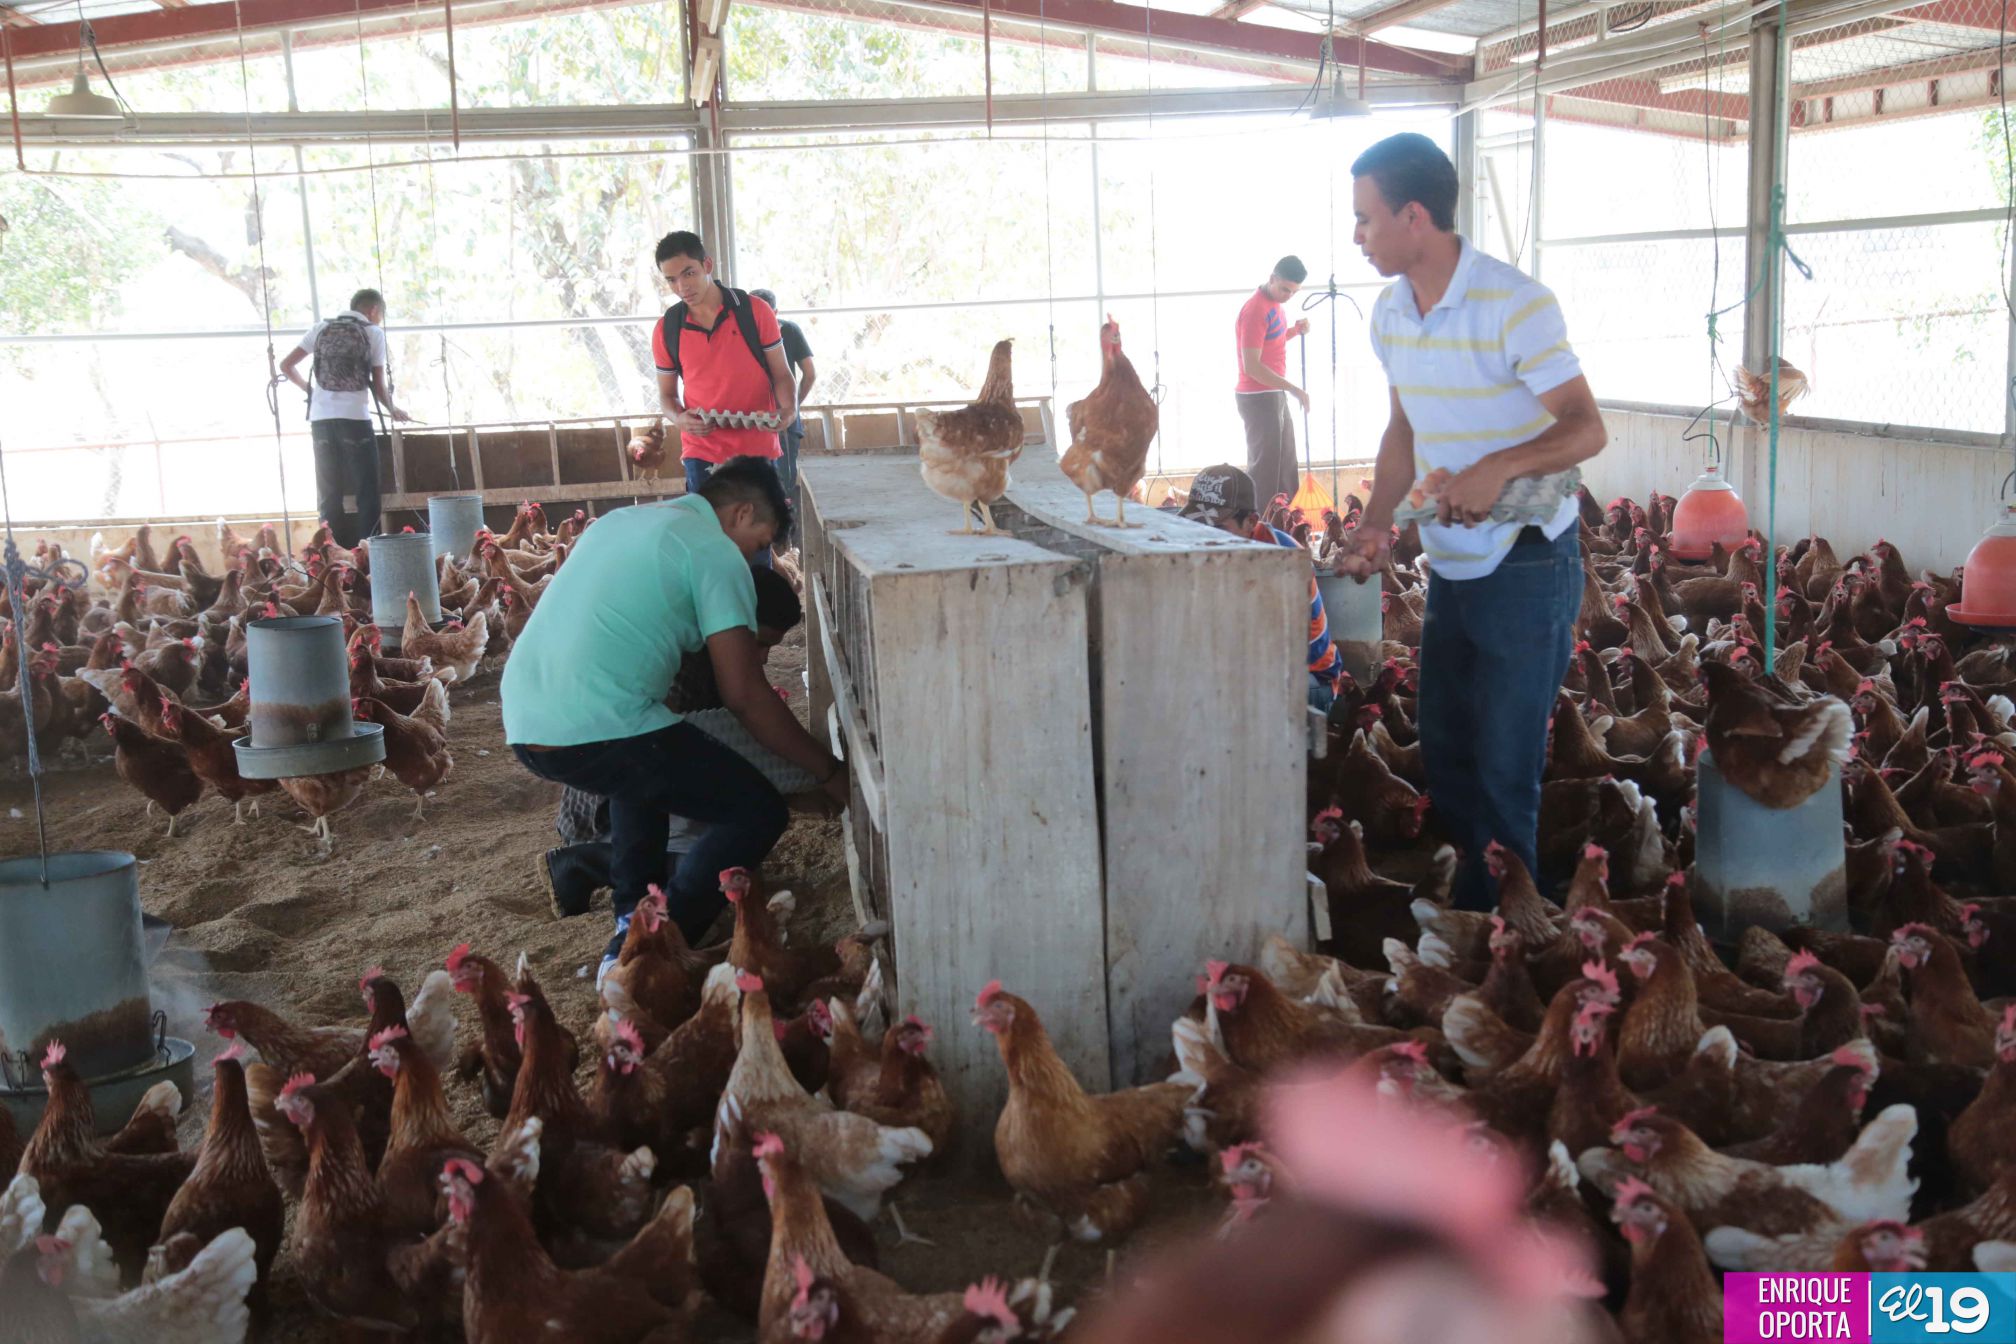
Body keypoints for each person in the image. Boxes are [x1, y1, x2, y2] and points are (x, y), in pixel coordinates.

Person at [1335, 132, 1606, 913]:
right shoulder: (1390, 311)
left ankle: (1509, 931)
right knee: (1448, 750)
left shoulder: (1513, 303)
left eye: (1365, 219)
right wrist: (1378, 525)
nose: (1357, 236)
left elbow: (1587, 428)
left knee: (1503, 760)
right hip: (1451, 564)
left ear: (1414, 216)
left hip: (1526, 559)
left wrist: (1500, 467)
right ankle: (1474, 898)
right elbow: (1402, 431)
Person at [501, 457, 848, 985]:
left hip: (526, 716)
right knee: (755, 811)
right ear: (742, 512)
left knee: (644, 774)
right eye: (761, 543)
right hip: (599, 721)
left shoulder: (621, 520)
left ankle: (631, 917)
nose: (759, 559)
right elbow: (745, 695)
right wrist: (826, 771)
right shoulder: (715, 554)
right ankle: (656, 946)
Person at [540, 564, 807, 918]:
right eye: (757, 643)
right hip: (607, 811)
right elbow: (659, 767)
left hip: (642, 792)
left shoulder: (707, 651)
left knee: (732, 857)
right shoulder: (681, 666)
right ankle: (585, 862)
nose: (762, 658)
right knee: (715, 871)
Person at [1181, 463, 1342, 713]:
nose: (1203, 536)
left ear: (1251, 521)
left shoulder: (1281, 559)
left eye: (1217, 528)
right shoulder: (1221, 552)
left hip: (1306, 675)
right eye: (1197, 524)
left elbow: (1280, 650)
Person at [652, 232, 798, 498]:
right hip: (702, 451)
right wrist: (679, 418)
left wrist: (788, 411)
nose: (681, 287)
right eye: (671, 280)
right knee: (709, 535)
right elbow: (667, 394)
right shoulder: (667, 329)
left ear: (707, 265)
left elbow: (782, 374)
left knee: (757, 535)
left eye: (689, 273)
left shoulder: (754, 311)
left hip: (758, 448)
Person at [278, 288, 412, 548]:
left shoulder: (320, 328)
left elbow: (286, 365)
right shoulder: (373, 333)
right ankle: (368, 555)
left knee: (329, 494)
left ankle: (333, 556)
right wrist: (393, 409)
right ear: (373, 310)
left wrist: (311, 391)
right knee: (367, 492)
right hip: (355, 420)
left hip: (320, 421)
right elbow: (379, 385)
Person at [1233, 256, 1313, 506]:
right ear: (1272, 279)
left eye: (1294, 291)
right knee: (1265, 471)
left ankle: (1286, 525)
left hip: (1274, 392)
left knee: (1285, 465)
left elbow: (1271, 342)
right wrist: (1293, 389)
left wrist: (1294, 331)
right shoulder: (1255, 309)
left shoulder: (1275, 305)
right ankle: (1260, 530)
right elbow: (1252, 366)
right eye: (1285, 289)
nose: (1289, 295)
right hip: (1257, 396)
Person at [750, 288, 817, 544]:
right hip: (761, 420)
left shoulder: (787, 330)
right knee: (779, 485)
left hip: (771, 421)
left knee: (775, 486)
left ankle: (781, 547)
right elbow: (809, 373)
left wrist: (793, 406)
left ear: (775, 313)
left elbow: (810, 373)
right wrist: (793, 406)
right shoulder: (783, 330)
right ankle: (779, 548)